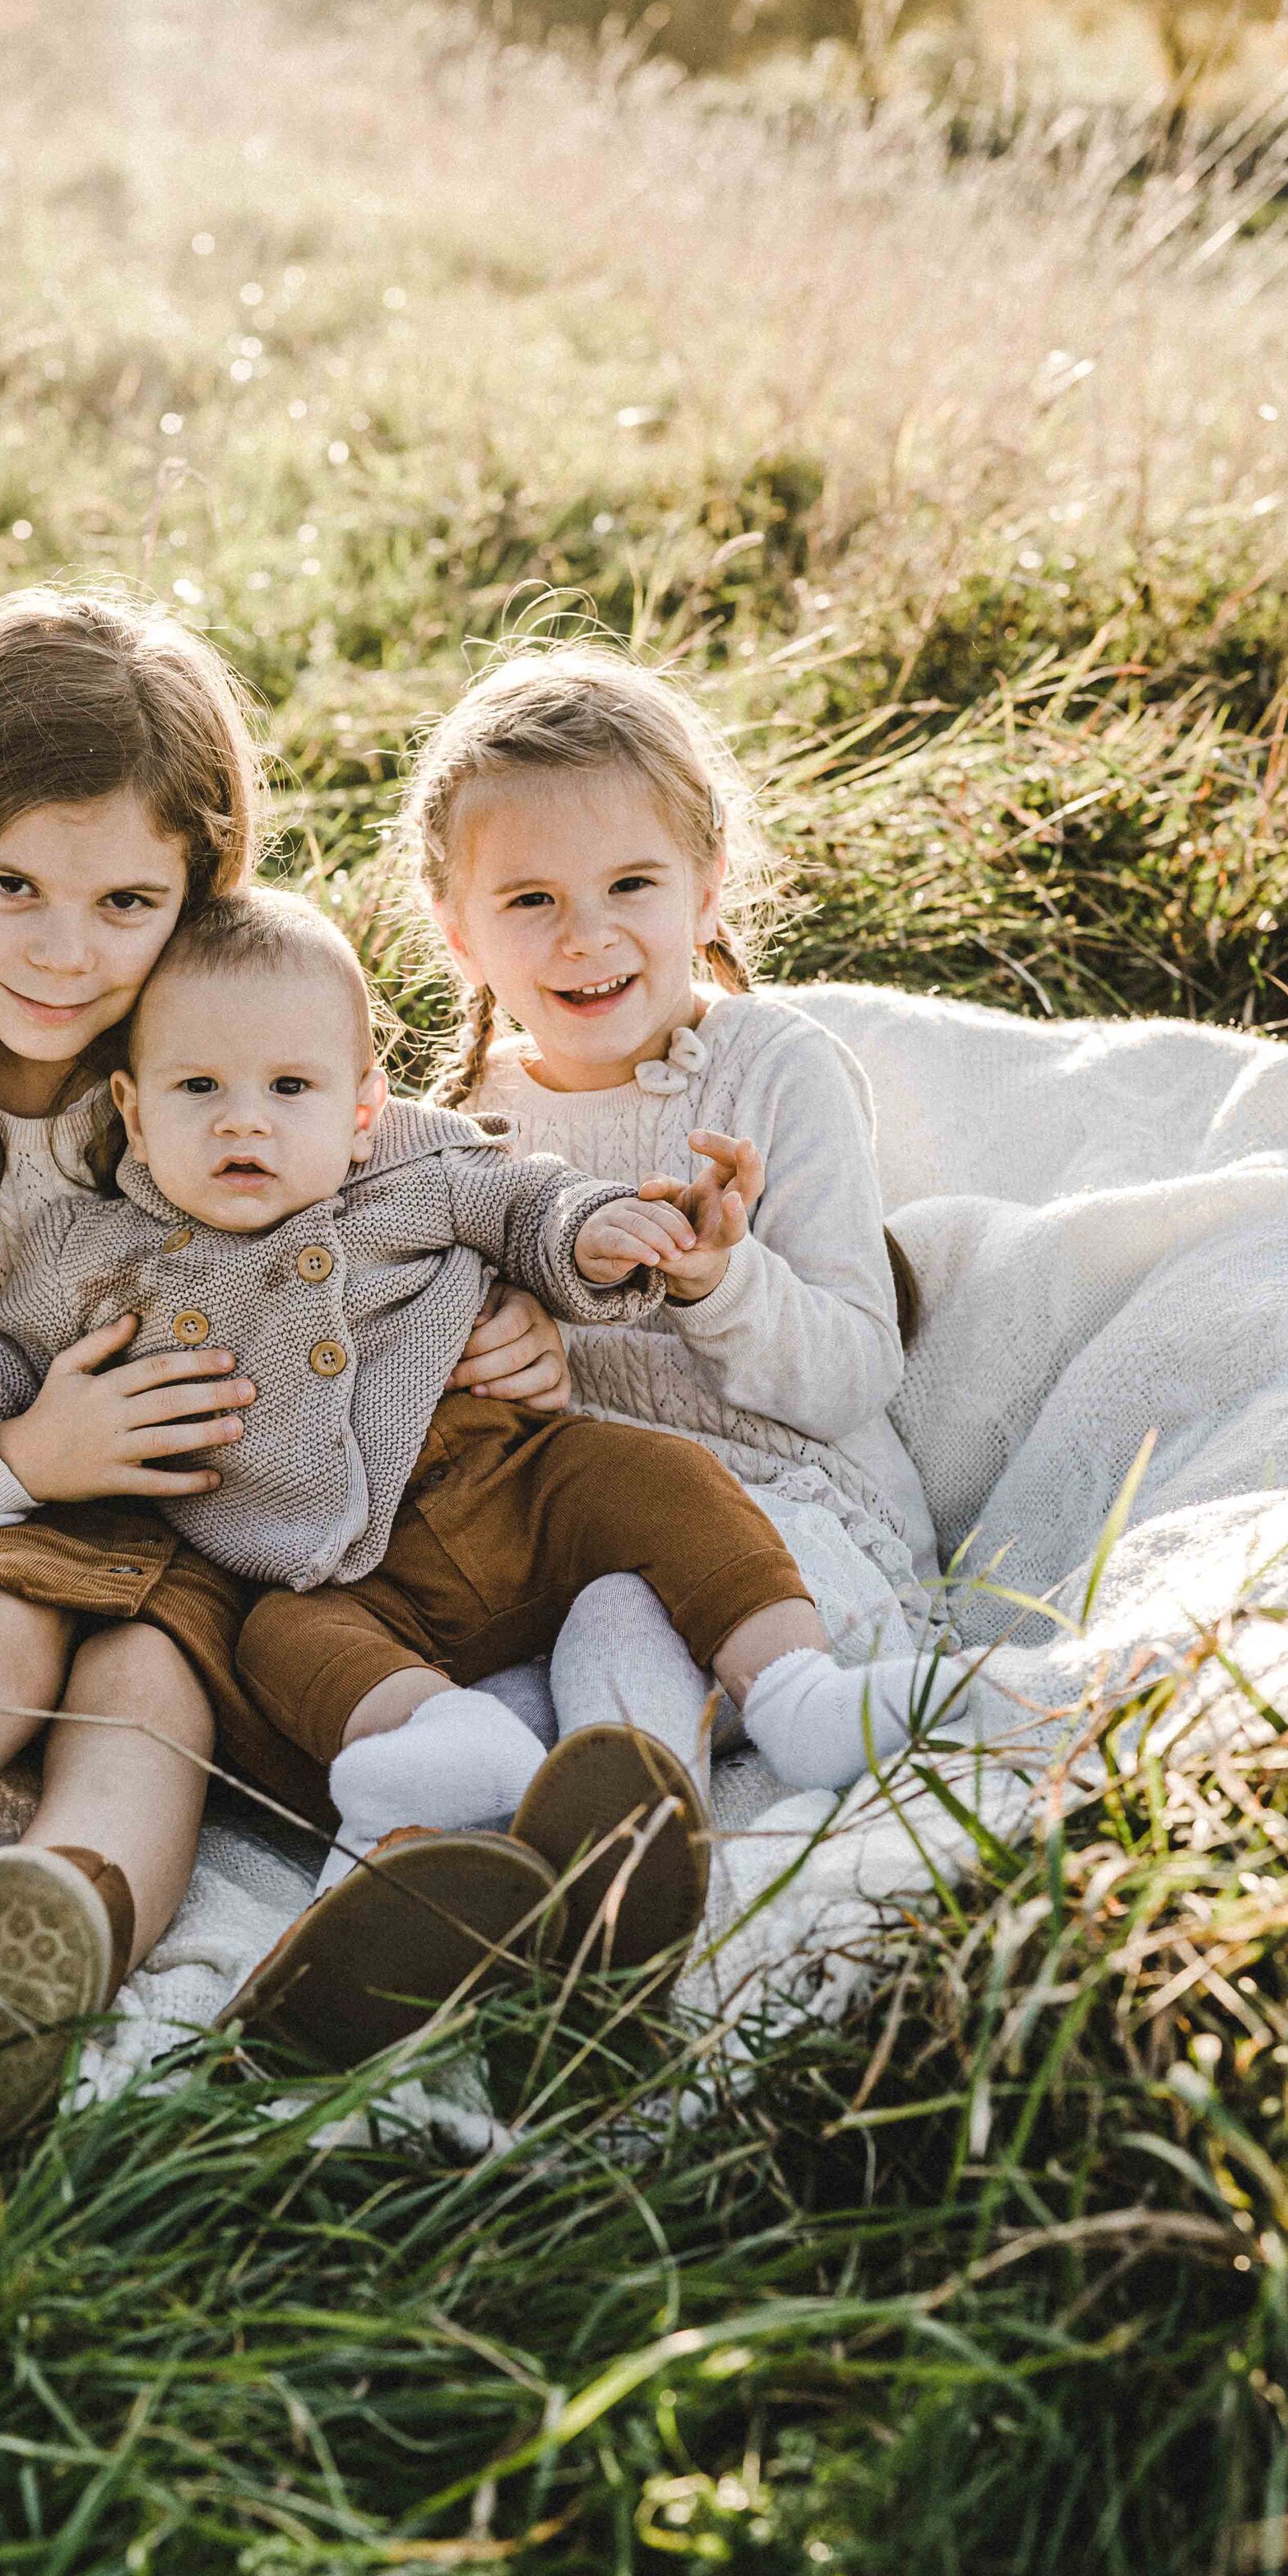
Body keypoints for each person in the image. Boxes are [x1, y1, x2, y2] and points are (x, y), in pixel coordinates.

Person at [0, 587, 569, 2156]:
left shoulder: (239, 1042)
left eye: (128, 902)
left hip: (223, 1553)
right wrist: (19, 1467)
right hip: (3, 1514)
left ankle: (31, 1950)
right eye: (9, 885)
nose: (67, 957)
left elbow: (435, 1181)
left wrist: (507, 1315)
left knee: (146, 1697)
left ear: (204, 884)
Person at [0, 890, 966, 2065]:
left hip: (507, 1482)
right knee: (277, 1647)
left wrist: (600, 1234)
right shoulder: (97, 1253)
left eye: (289, 1089)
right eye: (200, 1091)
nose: (244, 1123)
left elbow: (529, 1201)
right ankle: (448, 1751)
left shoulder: (416, 1169)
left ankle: (789, 1681)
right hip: (333, 1573)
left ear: (362, 1109)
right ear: (132, 1112)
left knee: (659, 1479)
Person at [401, 635, 951, 1799]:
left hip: (800, 1532)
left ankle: (651, 1814)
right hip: (579, 1538)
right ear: (458, 929)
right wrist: (486, 1354)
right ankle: (539, 1847)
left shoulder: (770, 1071)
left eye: (631, 886)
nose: (586, 935)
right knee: (492, 1689)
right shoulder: (466, 1126)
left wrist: (723, 1283)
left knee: (623, 1615)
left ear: (705, 886)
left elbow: (857, 1370)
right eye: (531, 899)